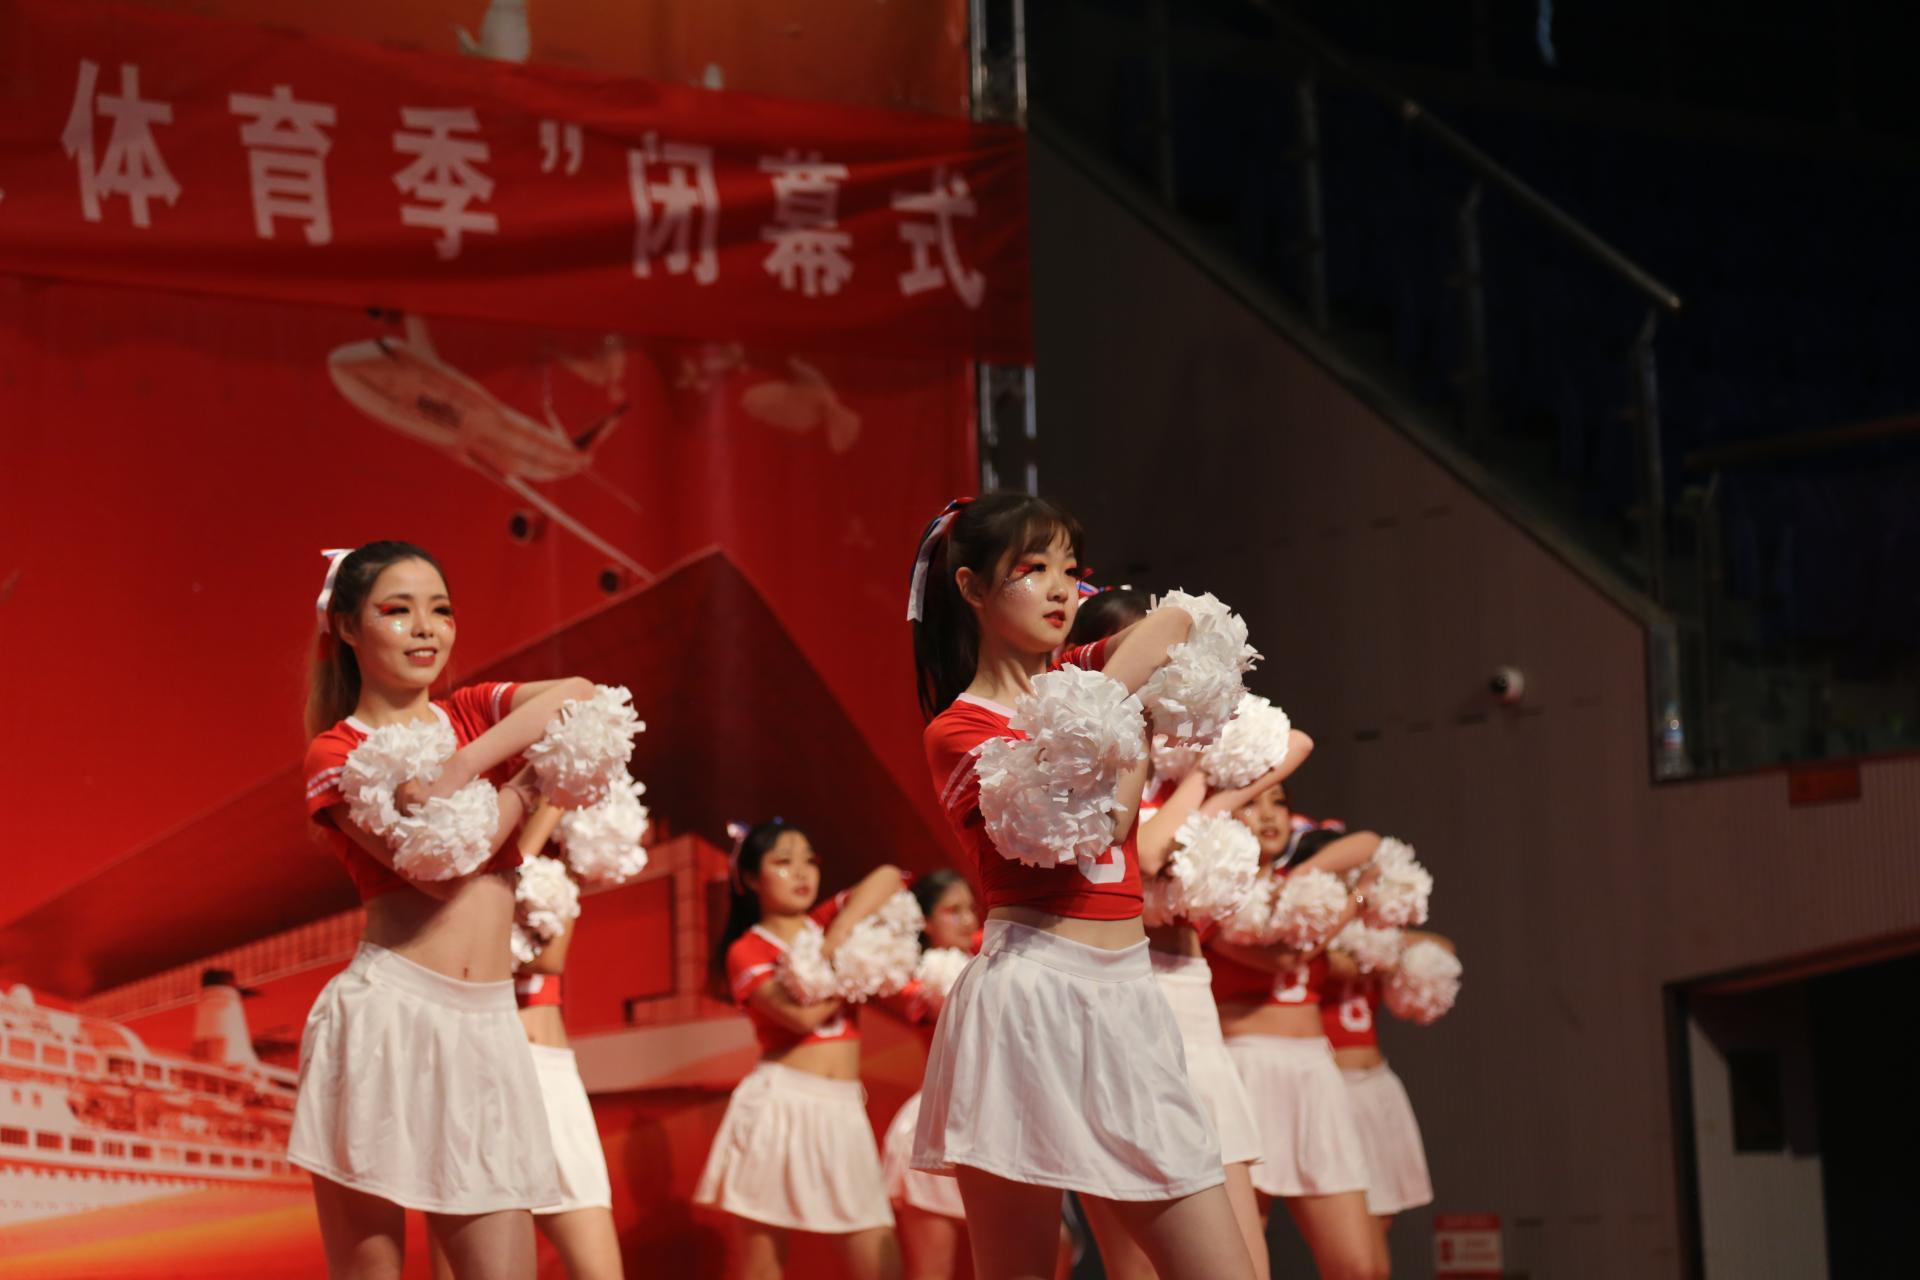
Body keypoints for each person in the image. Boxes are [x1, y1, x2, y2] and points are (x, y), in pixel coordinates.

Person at [909, 493, 1259, 1280]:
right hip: (1029, 997)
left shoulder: (1082, 676)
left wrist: (1108, 699)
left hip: (1130, 998)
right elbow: (1087, 830)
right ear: (972, 588)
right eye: (1032, 569)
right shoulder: (958, 730)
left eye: (1071, 570)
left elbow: (1179, 623)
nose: (1062, 590)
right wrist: (1120, 709)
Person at [295, 540, 603, 1279]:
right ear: (347, 627)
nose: (425, 628)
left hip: (490, 1029)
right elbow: (441, 870)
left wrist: (464, 764)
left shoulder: (468, 714)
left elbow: (583, 694)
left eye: (440, 610)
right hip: (388, 1025)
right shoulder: (337, 752)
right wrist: (528, 785)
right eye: (397, 611)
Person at [693, 819, 906, 1280]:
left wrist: (840, 931)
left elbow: (890, 876)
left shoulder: (825, 925)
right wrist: (858, 968)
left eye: (809, 860)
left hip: (843, 1107)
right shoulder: (746, 949)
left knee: (878, 1253)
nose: (801, 872)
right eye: (783, 862)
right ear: (752, 878)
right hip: (780, 1105)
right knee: (762, 1265)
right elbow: (800, 1017)